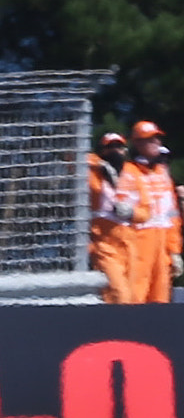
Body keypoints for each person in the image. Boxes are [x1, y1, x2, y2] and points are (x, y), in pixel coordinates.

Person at [87, 132, 152, 304]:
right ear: (102, 150)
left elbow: (146, 211)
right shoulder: (92, 171)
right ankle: (112, 330)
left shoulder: (134, 173)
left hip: (130, 243)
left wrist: (131, 213)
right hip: (104, 242)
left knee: (132, 297)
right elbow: (74, 158)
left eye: (119, 146)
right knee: (118, 294)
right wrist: (100, 164)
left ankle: (125, 330)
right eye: (110, 147)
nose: (115, 151)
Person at [128, 121, 182, 304]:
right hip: (139, 240)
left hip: (162, 242)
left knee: (161, 296)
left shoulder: (163, 174)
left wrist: (174, 250)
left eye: (157, 138)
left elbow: (172, 214)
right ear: (137, 143)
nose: (156, 142)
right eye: (150, 139)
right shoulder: (130, 171)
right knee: (136, 294)